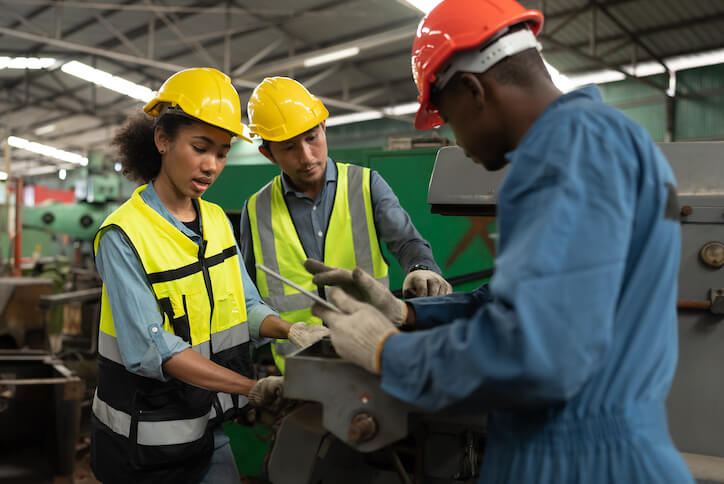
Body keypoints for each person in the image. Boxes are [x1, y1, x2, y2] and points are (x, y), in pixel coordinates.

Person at [307, 1, 695, 483]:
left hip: (575, 461)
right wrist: (407, 314)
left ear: (472, 90)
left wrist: (388, 352)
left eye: (448, 118)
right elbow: (527, 302)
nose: (456, 139)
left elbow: (536, 354)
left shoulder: (564, 152)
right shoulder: (609, 139)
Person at [90, 67, 325, 484]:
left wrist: (295, 331)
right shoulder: (122, 235)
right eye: (200, 148)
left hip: (208, 430)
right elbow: (155, 350)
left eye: (222, 152)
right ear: (162, 140)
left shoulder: (216, 220)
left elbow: (246, 306)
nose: (211, 166)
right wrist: (247, 386)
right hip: (143, 447)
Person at [239, 76, 451, 372]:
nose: (306, 156)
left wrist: (421, 268)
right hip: (299, 368)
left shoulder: (366, 185)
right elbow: (248, 297)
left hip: (373, 353)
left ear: (324, 128)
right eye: (288, 148)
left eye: (312, 137)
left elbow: (406, 241)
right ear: (267, 153)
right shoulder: (255, 209)